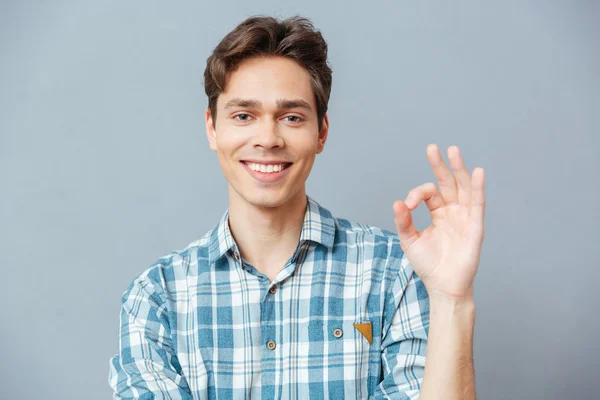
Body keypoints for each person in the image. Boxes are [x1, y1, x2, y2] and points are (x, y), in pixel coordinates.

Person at [108, 15, 485, 400]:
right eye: (243, 116)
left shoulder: (396, 273)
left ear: (320, 131)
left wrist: (452, 299)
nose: (268, 139)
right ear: (212, 128)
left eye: (291, 117)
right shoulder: (157, 297)